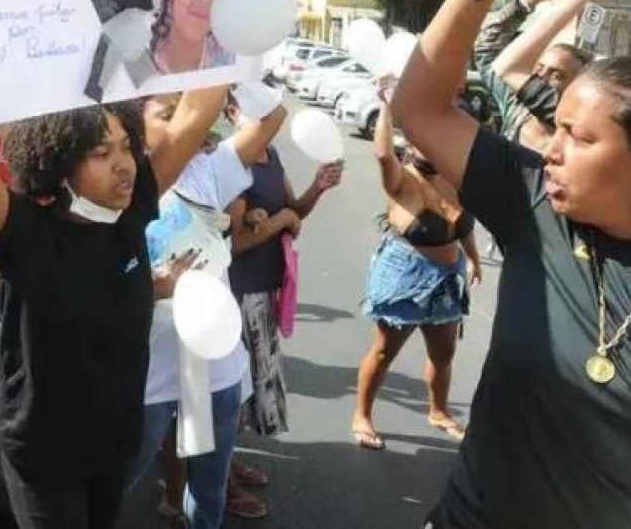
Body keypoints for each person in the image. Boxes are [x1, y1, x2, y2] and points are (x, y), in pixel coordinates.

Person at [395, 0, 631, 528]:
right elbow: (419, 106)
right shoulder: (535, 204)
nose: (551, 147)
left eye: (579, 138)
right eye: (559, 127)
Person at [0, 0, 226, 529]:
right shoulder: (28, 235)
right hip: (44, 456)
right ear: (59, 164)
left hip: (114, 443)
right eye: (100, 153)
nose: (124, 166)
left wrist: (224, 14)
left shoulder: (132, 211)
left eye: (125, 146)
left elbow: (196, 114)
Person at [124, 93, 289, 529]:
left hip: (217, 364)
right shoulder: (117, 180)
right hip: (149, 369)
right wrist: (156, 288)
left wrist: (232, 75)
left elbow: (273, 115)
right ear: (135, 126)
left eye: (188, 106)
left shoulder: (207, 170)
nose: (187, 118)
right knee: (114, 484)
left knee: (210, 490)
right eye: (168, 113)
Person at [351, 77, 481, 451]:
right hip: (406, 273)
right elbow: (381, 155)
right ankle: (362, 414)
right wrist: (389, 105)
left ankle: (438, 411)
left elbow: (461, 224)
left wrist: (473, 260)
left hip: (448, 274)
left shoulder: (455, 178)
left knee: (443, 353)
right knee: (384, 349)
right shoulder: (402, 180)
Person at [225, 100, 341, 517]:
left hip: (265, 288)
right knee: (232, 390)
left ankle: (226, 463)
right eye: (258, 110)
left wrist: (318, 187)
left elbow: (295, 208)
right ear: (232, 111)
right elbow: (234, 243)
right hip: (237, 293)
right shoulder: (232, 162)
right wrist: (282, 220)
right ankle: (218, 481)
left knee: (249, 385)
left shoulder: (270, 156)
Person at [481, 0, 631, 152]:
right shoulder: (517, 108)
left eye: (557, 75)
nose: (541, 78)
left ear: (578, 84)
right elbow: (487, 49)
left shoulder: (586, 130)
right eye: (539, 69)